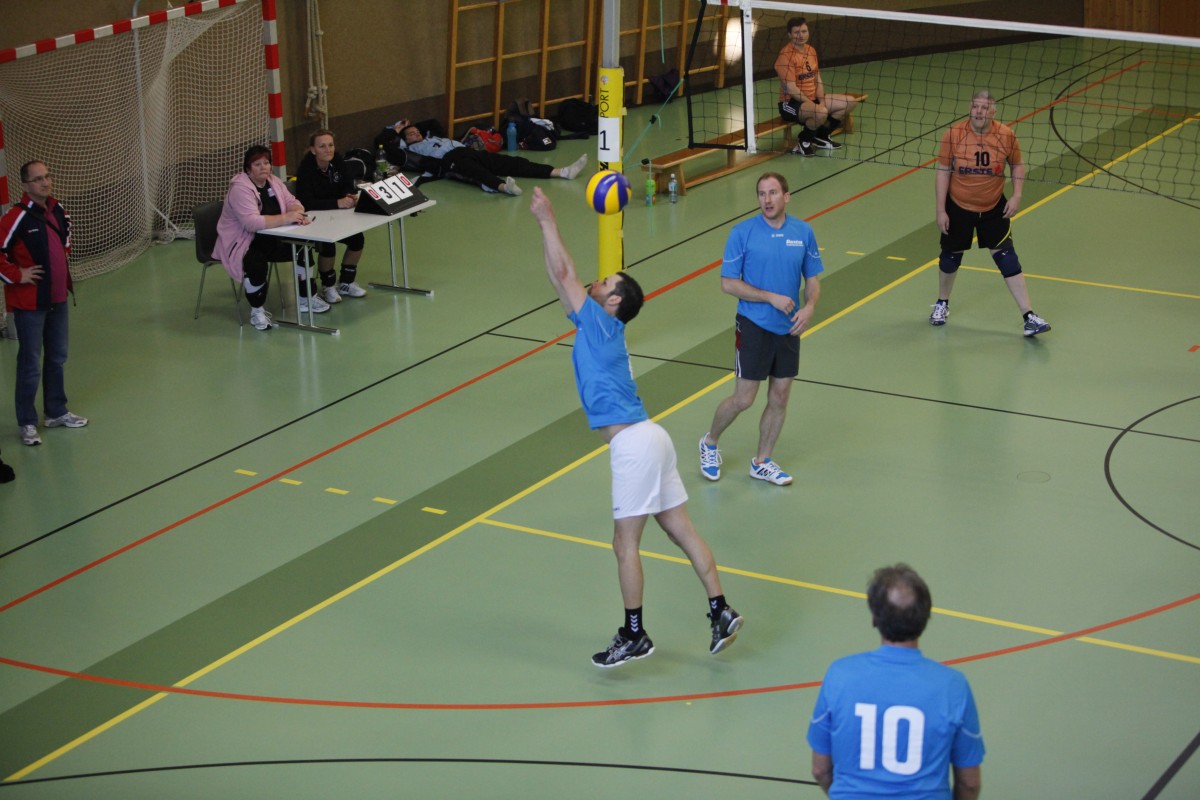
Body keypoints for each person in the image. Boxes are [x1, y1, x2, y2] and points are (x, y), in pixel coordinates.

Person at [529, 187, 743, 668]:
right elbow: (557, 278)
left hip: (633, 444)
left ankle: (634, 635)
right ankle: (720, 610)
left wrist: (547, 218)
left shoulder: (600, 324)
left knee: (624, 544)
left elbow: (564, 274)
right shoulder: (599, 326)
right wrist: (544, 231)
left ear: (613, 300)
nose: (597, 280)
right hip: (653, 438)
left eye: (606, 281)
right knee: (681, 531)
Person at [807, 564, 985, 799]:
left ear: (875, 618)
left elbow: (820, 769)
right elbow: (969, 783)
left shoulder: (840, 676)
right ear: (926, 616)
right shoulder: (953, 686)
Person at [699, 172, 822, 486]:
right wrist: (770, 297)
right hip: (753, 324)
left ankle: (762, 462)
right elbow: (728, 283)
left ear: (786, 196)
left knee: (780, 398)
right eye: (761, 194)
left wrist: (809, 307)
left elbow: (812, 279)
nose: (767, 200)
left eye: (773, 193)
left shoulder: (803, 232)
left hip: (789, 327)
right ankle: (710, 442)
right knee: (744, 399)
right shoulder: (742, 233)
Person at [930, 90, 1050, 337]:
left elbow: (1017, 164)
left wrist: (1016, 195)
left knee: (1007, 258)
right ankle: (942, 303)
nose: (979, 112)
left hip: (994, 206)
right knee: (950, 259)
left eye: (984, 108)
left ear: (993, 112)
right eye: (975, 106)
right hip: (958, 206)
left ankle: (1029, 316)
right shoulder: (953, 134)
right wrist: (941, 209)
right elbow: (942, 170)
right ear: (970, 108)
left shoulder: (1006, 135)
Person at [0, 160, 88, 446]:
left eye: (47, 176)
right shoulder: (15, 217)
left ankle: (56, 412)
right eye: (38, 179)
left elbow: (65, 241)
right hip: (30, 304)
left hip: (58, 299)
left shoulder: (58, 209)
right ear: (25, 184)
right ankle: (27, 422)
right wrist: (18, 275)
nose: (45, 182)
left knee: (57, 357)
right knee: (30, 363)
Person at [212, 145, 314, 331]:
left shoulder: (274, 181)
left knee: (303, 248)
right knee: (256, 264)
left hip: (272, 236)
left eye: (266, 163)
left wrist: (298, 213)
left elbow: (292, 201)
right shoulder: (240, 189)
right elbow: (251, 223)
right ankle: (256, 311)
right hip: (243, 241)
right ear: (248, 169)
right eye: (257, 164)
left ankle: (306, 299)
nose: (263, 167)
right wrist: (287, 218)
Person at [394, 118, 588, 196]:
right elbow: (391, 149)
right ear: (405, 140)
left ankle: (561, 172)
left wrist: (409, 125)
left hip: (467, 151)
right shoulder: (412, 149)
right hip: (450, 160)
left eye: (417, 131)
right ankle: (503, 187)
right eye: (410, 134)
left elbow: (432, 123)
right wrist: (396, 131)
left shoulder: (433, 136)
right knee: (476, 172)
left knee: (511, 162)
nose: (415, 134)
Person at [294, 129, 368, 305]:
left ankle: (346, 282)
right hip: (314, 219)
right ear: (313, 150)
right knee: (328, 243)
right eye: (322, 146)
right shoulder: (305, 169)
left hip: (335, 215)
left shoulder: (337, 161)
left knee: (357, 239)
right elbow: (306, 202)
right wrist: (336, 203)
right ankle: (328, 286)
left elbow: (346, 184)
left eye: (330, 145)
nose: (328, 150)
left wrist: (349, 196)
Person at [775, 17, 861, 156]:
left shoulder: (811, 50)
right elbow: (792, 89)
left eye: (804, 31)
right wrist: (816, 106)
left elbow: (817, 80)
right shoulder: (785, 56)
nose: (801, 35)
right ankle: (804, 142)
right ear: (789, 35)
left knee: (850, 101)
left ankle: (821, 136)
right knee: (820, 112)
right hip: (791, 103)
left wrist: (821, 101)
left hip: (812, 98)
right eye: (796, 32)